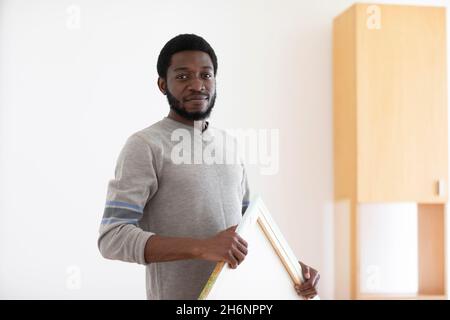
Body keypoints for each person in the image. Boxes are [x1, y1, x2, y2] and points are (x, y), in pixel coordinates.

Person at [98, 34, 319, 299]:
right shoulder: (144, 145)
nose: (197, 85)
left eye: (206, 75)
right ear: (162, 84)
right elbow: (112, 237)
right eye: (182, 77)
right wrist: (201, 247)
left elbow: (252, 228)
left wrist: (289, 267)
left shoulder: (229, 144)